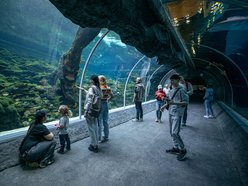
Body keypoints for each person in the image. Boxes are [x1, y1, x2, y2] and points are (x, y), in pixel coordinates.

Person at [161, 74, 189, 161]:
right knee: (171, 132)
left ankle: (183, 149)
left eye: (173, 80)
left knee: (175, 133)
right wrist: (164, 106)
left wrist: (174, 103)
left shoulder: (182, 90)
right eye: (171, 80)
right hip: (171, 112)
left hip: (177, 113)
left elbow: (186, 102)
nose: (171, 82)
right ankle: (175, 147)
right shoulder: (171, 90)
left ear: (177, 80)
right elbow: (170, 101)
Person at [84, 75, 103, 153]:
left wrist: (86, 111)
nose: (89, 81)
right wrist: (85, 91)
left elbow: (89, 100)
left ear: (92, 80)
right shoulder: (98, 88)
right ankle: (96, 142)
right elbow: (98, 96)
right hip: (96, 110)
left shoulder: (92, 88)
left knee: (90, 128)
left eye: (90, 79)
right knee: (95, 126)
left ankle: (94, 145)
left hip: (90, 110)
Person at [98, 75, 114, 143]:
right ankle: (106, 136)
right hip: (105, 104)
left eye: (98, 80)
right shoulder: (108, 88)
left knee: (99, 121)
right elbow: (112, 96)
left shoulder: (99, 88)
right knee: (105, 120)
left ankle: (99, 138)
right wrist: (107, 99)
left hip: (100, 104)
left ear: (100, 81)